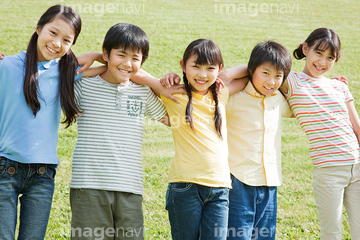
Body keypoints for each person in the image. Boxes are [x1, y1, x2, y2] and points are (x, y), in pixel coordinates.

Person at [69, 23, 172, 240]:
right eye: (121, 54)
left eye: (135, 58)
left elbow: (172, 120)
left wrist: (155, 82)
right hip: (88, 185)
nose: (127, 63)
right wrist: (95, 57)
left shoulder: (142, 92)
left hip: (130, 187)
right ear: (106, 54)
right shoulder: (84, 86)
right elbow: (62, 71)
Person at [0, 5, 86, 240]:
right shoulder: (7, 67)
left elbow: (110, 67)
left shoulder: (66, 72)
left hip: (42, 174)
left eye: (67, 40)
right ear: (38, 28)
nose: (57, 43)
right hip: (4, 169)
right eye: (53, 33)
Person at [157, 39, 247, 240]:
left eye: (210, 68)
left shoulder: (220, 94)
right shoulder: (175, 95)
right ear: (183, 65)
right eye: (195, 67)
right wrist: (165, 80)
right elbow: (137, 75)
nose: (203, 74)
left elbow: (251, 72)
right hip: (185, 187)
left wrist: (226, 75)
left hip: (220, 188)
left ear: (219, 69)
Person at [282, 28, 360, 240]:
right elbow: (258, 68)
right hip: (329, 170)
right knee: (331, 232)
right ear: (306, 49)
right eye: (318, 53)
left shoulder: (339, 86)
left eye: (330, 57)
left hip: (358, 166)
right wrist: (223, 75)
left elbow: (356, 125)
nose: (322, 62)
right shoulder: (293, 81)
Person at [216, 41, 293, 240]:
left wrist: (331, 85)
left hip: (270, 183)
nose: (271, 81)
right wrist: (230, 74)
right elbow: (213, 92)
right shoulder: (235, 98)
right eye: (265, 73)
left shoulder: (279, 100)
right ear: (251, 71)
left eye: (278, 76)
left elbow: (304, 101)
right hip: (239, 181)